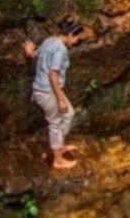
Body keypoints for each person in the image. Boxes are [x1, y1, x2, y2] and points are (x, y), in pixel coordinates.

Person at [22, 20, 85, 170]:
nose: (77, 42)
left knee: (69, 114)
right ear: (70, 35)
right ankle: (58, 159)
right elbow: (52, 74)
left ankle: (60, 146)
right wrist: (61, 99)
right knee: (55, 123)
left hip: (47, 89)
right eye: (77, 38)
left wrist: (29, 53)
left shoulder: (49, 40)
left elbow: (36, 55)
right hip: (47, 92)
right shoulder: (61, 49)